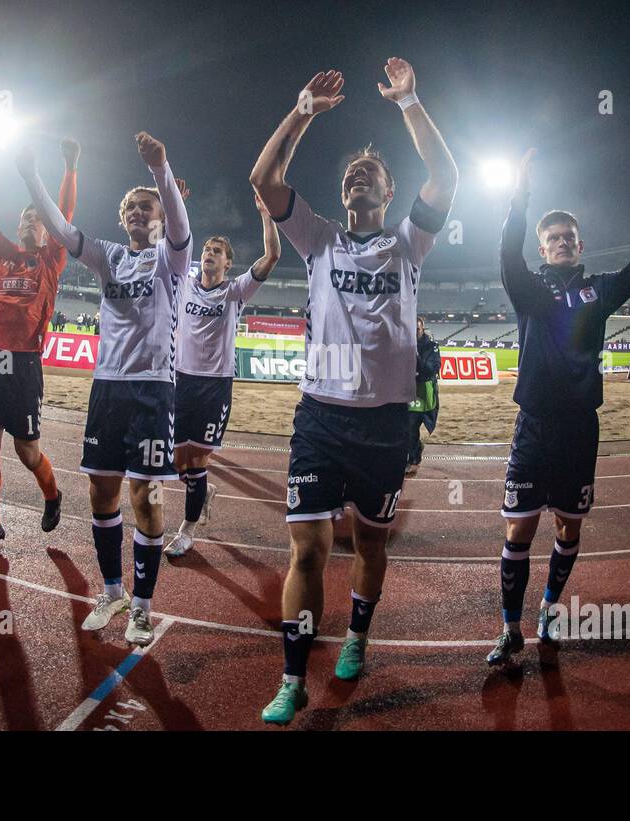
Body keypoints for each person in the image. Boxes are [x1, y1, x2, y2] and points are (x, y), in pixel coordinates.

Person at [249, 59, 458, 724]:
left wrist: (410, 103)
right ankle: (291, 677)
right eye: (347, 176)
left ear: (390, 191)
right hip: (319, 419)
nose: (355, 178)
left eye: (367, 173)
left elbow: (447, 176)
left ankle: (359, 635)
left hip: (384, 425)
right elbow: (264, 179)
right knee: (307, 548)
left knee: (370, 544)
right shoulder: (317, 240)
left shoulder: (408, 242)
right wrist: (302, 110)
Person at [485, 149, 630, 669]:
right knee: (518, 530)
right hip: (533, 429)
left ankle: (549, 610)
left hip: (580, 430)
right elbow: (506, 256)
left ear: (579, 246)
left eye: (568, 237)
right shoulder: (530, 291)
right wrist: (518, 198)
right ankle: (509, 628)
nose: (561, 243)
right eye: (552, 238)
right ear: (543, 248)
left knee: (569, 529)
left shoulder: (598, 291)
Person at [18, 132, 191, 647]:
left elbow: (182, 227)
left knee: (147, 496)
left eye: (148, 208)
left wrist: (161, 171)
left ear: (159, 217)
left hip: (153, 391)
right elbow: (61, 228)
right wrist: (31, 173)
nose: (139, 213)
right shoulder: (108, 255)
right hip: (107, 390)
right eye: (131, 208)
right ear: (122, 218)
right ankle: (112, 591)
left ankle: (142, 606)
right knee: (101, 491)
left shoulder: (171, 258)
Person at [0, 140, 75, 553]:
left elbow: (63, 213)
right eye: (24, 217)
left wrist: (70, 167)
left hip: (26, 365)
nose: (29, 221)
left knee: (27, 452)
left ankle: (52, 494)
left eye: (36, 218)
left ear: (45, 229)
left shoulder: (52, 259)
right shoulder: (2, 253)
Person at [165, 192, 281, 557]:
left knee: (197, 462)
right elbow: (169, 243)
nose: (209, 254)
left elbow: (272, 256)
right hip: (179, 381)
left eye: (217, 251)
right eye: (207, 249)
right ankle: (203, 491)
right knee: (175, 461)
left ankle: (186, 531)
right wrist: (174, 203)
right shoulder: (183, 282)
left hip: (213, 388)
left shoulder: (235, 291)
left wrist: (266, 215)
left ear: (228, 264)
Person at [405, 315, 440, 476]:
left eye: (417, 329)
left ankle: (413, 460)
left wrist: (417, 357)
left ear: (422, 329)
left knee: (412, 425)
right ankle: (415, 449)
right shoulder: (404, 345)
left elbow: (431, 370)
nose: (414, 332)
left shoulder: (432, 346)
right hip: (407, 390)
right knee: (406, 427)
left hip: (423, 392)